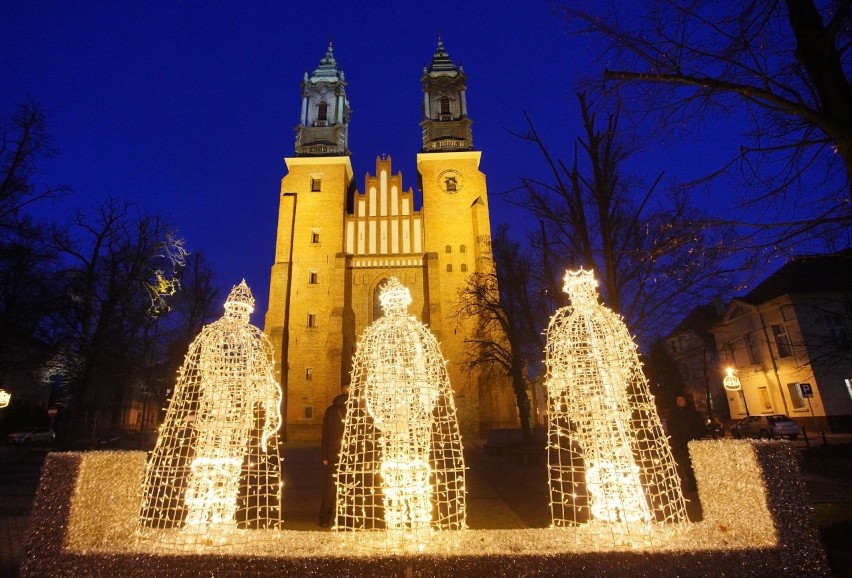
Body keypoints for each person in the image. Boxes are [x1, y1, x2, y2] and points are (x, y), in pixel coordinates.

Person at [319, 382, 349, 528]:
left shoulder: (330, 411)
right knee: (349, 489)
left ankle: (324, 519)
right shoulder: (356, 410)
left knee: (330, 489)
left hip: (333, 455)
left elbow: (325, 434)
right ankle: (346, 520)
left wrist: (324, 455)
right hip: (350, 456)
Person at [666, 394, 706, 491]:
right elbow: (670, 426)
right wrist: (676, 437)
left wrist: (697, 436)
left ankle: (699, 482)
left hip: (693, 441)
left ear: (685, 401)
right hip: (681, 443)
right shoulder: (674, 414)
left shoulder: (692, 413)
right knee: (686, 464)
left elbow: (700, 425)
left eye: (681, 399)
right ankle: (692, 484)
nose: (679, 402)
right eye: (677, 400)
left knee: (695, 462)